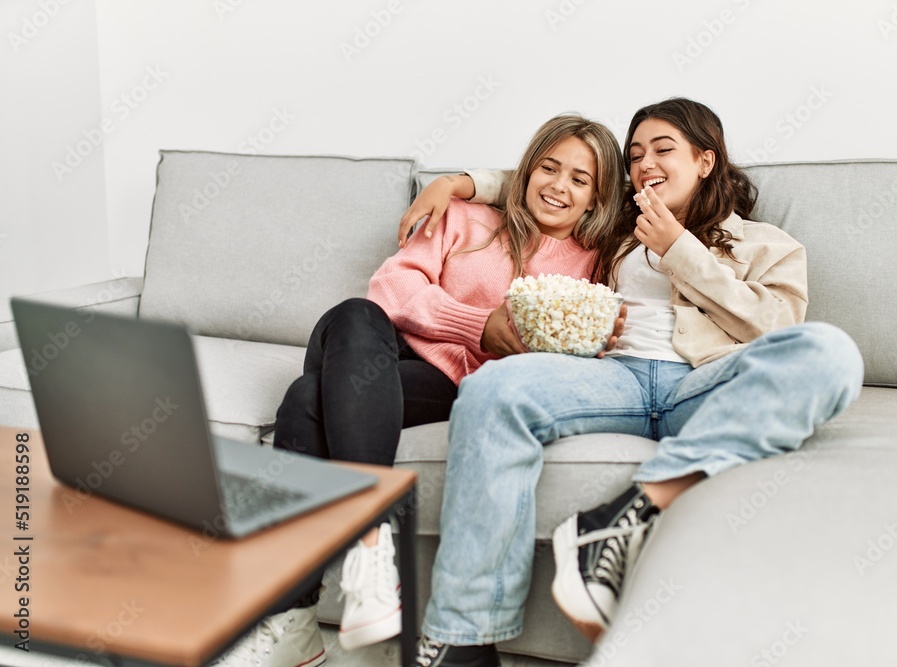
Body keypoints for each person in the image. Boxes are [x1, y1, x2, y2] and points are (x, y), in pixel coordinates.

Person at [400, 98, 864, 667]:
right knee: (494, 390)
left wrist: (678, 249)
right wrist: (459, 182)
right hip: (610, 376)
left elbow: (775, 327)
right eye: (636, 154)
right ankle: (462, 639)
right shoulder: (619, 224)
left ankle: (627, 517)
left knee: (830, 353)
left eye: (663, 150)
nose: (645, 163)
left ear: (705, 160)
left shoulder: (767, 244)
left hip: (703, 383)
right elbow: (547, 181)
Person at [209, 113, 625, 667]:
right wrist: (476, 325)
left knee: (305, 402)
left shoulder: (598, 261)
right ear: (526, 170)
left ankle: (294, 621)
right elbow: (394, 287)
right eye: (549, 167)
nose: (558, 185)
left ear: (596, 198)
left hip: (458, 383)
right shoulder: (464, 217)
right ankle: (373, 544)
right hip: (387, 354)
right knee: (354, 313)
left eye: (579, 179)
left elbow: (583, 341)